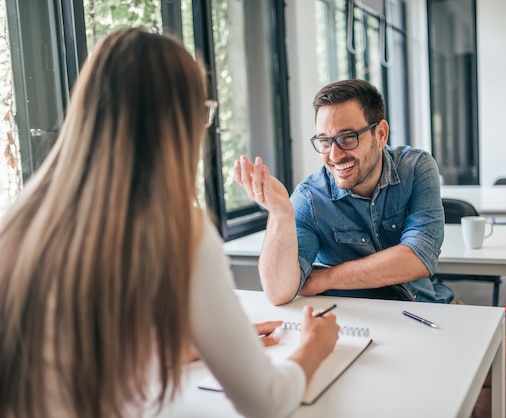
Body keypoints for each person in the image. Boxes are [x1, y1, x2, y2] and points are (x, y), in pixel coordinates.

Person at [0, 28, 340, 418]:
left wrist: (216, 343)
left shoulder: (21, 218)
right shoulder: (179, 233)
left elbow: (88, 347)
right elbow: (267, 402)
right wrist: (314, 345)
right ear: (179, 122)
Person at [234, 79, 506, 418]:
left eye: (347, 138)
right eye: (324, 140)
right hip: (361, 324)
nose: (334, 155)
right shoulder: (308, 197)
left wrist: (323, 278)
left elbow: (418, 258)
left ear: (380, 133)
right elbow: (277, 292)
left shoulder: (416, 168)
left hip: (429, 305)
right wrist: (279, 213)